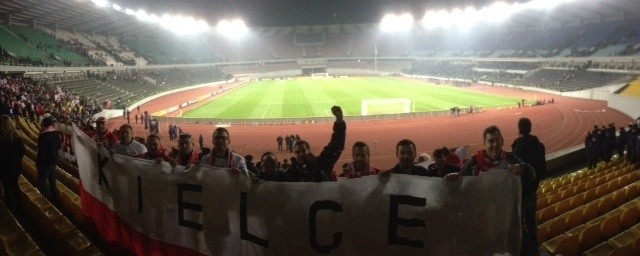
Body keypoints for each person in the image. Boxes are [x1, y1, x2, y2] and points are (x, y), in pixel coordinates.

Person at [449, 125, 538, 256]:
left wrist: (523, 168)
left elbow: (532, 174)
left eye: (497, 140)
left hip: (509, 222)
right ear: (484, 143)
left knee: (531, 252)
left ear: (502, 141)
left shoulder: (511, 159)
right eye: (491, 141)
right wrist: (453, 179)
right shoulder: (474, 162)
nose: (495, 144)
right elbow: (460, 182)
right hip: (484, 225)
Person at [511, 117, 546, 249]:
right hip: (533, 190)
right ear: (530, 128)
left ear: (520, 129)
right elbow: (542, 169)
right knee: (531, 221)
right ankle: (534, 246)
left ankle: (525, 248)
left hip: (522, 193)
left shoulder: (519, 148)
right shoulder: (539, 145)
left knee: (520, 224)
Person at [288, 106, 345, 182]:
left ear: (309, 150)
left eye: (303, 150)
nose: (301, 153)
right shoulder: (290, 172)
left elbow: (336, 146)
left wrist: (339, 121)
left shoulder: (322, 163)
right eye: (297, 152)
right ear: (294, 155)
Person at [0, 115, 25, 210]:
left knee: (6, 188)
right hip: (15, 167)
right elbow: (22, 151)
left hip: (3, 168)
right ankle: (19, 206)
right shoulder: (16, 137)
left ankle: (10, 207)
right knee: (15, 186)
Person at [36, 116, 62, 202]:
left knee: (42, 181)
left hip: (45, 162)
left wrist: (38, 163)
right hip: (54, 160)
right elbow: (58, 146)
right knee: (52, 179)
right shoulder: (56, 133)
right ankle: (55, 197)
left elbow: (41, 152)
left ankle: (47, 199)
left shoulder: (43, 136)